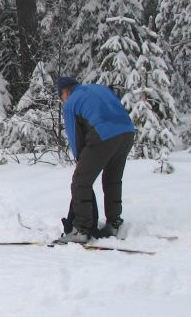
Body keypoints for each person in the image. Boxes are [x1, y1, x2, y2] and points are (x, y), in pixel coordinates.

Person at [56, 76, 136, 243]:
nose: (62, 100)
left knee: (80, 181)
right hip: (127, 132)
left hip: (104, 135)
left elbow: (75, 136)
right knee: (112, 179)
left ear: (66, 92)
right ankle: (114, 223)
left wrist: (81, 162)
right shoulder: (100, 88)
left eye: (61, 96)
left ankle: (81, 230)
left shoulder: (71, 102)